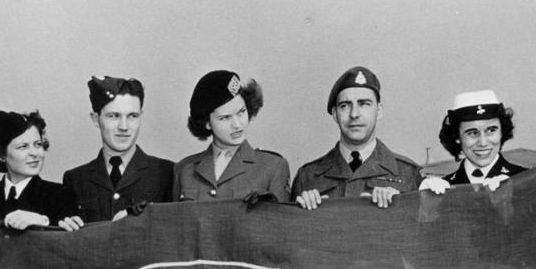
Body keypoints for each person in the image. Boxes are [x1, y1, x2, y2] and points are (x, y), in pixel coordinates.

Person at [292, 66, 421, 210]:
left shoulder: (409, 173)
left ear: (379, 110)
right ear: (335, 114)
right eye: (345, 106)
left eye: (364, 104)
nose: (354, 114)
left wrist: (400, 207)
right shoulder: (308, 176)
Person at [59, 76, 173, 229]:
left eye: (132, 116)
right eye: (113, 116)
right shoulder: (76, 179)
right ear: (95, 119)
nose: (124, 126)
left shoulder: (167, 172)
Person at [173, 70, 290, 203]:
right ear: (207, 123)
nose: (237, 124)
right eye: (225, 118)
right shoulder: (185, 170)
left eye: (241, 112)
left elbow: (281, 222)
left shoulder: (273, 167)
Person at [0, 110, 74, 229]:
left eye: (38, 144)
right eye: (23, 147)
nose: (34, 153)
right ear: (1, 155)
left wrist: (42, 220)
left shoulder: (61, 194)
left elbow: (71, 239)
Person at [421, 90, 525, 194]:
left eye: (491, 131)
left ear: (501, 132)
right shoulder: (443, 189)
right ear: (457, 137)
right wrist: (426, 203)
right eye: (472, 133)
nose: (483, 143)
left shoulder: (526, 179)